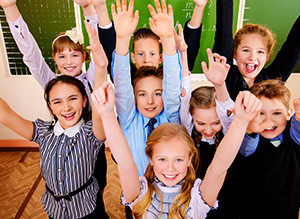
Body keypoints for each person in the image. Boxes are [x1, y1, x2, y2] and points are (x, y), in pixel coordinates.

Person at [92, 80, 262, 218]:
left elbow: (219, 167)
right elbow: (125, 163)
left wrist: (241, 120)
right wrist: (107, 114)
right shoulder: (140, 193)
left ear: (189, 160)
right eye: (162, 159)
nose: (170, 168)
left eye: (179, 159)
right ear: (151, 159)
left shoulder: (198, 198)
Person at [0, 1, 108, 214]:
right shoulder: (51, 82)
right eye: (61, 56)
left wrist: (89, 10)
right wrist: (10, 9)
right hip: (62, 146)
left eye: (75, 55)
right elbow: (31, 55)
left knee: (94, 191)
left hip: (91, 145)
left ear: (84, 57)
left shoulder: (91, 78)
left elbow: (100, 53)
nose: (69, 62)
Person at [111, 0, 181, 176]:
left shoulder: (171, 117)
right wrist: (122, 39)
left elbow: (172, 87)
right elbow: (122, 86)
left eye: (157, 94)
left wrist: (167, 39)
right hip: (138, 195)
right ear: (133, 96)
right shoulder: (129, 119)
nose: (150, 101)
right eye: (142, 94)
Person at [231, 79, 300, 219]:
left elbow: (297, 129)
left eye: (276, 113)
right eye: (261, 113)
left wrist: (298, 118)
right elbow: (246, 145)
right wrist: (249, 126)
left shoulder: (293, 136)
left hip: (288, 213)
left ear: (289, 113)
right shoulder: (251, 140)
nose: (268, 121)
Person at [93, 0, 207, 82]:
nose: (146, 60)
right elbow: (110, 49)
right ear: (133, 57)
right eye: (140, 54)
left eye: (152, 54)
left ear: (161, 57)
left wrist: (200, 7)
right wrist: (100, 7)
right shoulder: (125, 78)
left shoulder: (170, 75)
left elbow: (189, 52)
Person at [212, 0, 300, 100]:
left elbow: (295, 44)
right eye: (246, 50)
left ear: (267, 57)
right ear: (234, 53)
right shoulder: (225, 74)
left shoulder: (272, 79)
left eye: (260, 52)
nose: (252, 57)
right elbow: (224, 29)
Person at [180, 48, 233, 180]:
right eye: (201, 123)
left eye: (216, 123)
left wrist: (220, 85)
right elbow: (185, 97)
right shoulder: (188, 129)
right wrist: (182, 52)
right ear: (192, 118)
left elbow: (227, 111)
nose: (208, 130)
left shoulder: (227, 132)